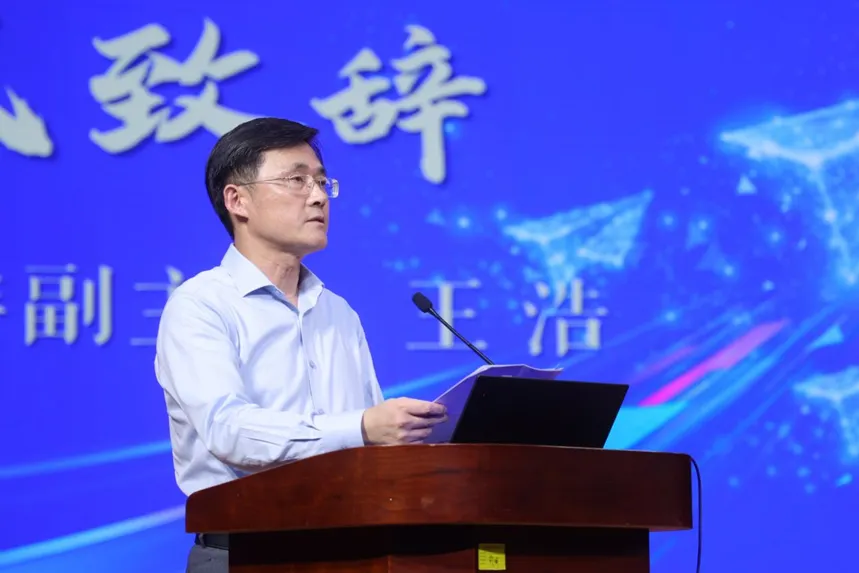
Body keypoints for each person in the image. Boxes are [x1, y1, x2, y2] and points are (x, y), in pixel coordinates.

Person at [154, 117, 448, 573]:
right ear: (237, 200)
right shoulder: (200, 306)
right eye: (296, 180)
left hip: (352, 552)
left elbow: (372, 445)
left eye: (321, 182)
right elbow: (229, 431)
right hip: (246, 553)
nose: (317, 196)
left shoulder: (338, 313)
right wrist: (362, 428)